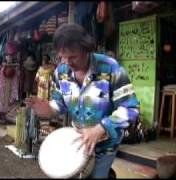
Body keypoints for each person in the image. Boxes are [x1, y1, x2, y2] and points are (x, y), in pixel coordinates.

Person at [26, 24, 140, 178]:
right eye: (62, 57)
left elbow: (130, 108)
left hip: (105, 143)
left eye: (72, 57)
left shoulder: (110, 67)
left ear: (86, 49)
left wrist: (100, 128)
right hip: (77, 141)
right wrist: (49, 110)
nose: (67, 62)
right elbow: (59, 104)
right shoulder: (61, 72)